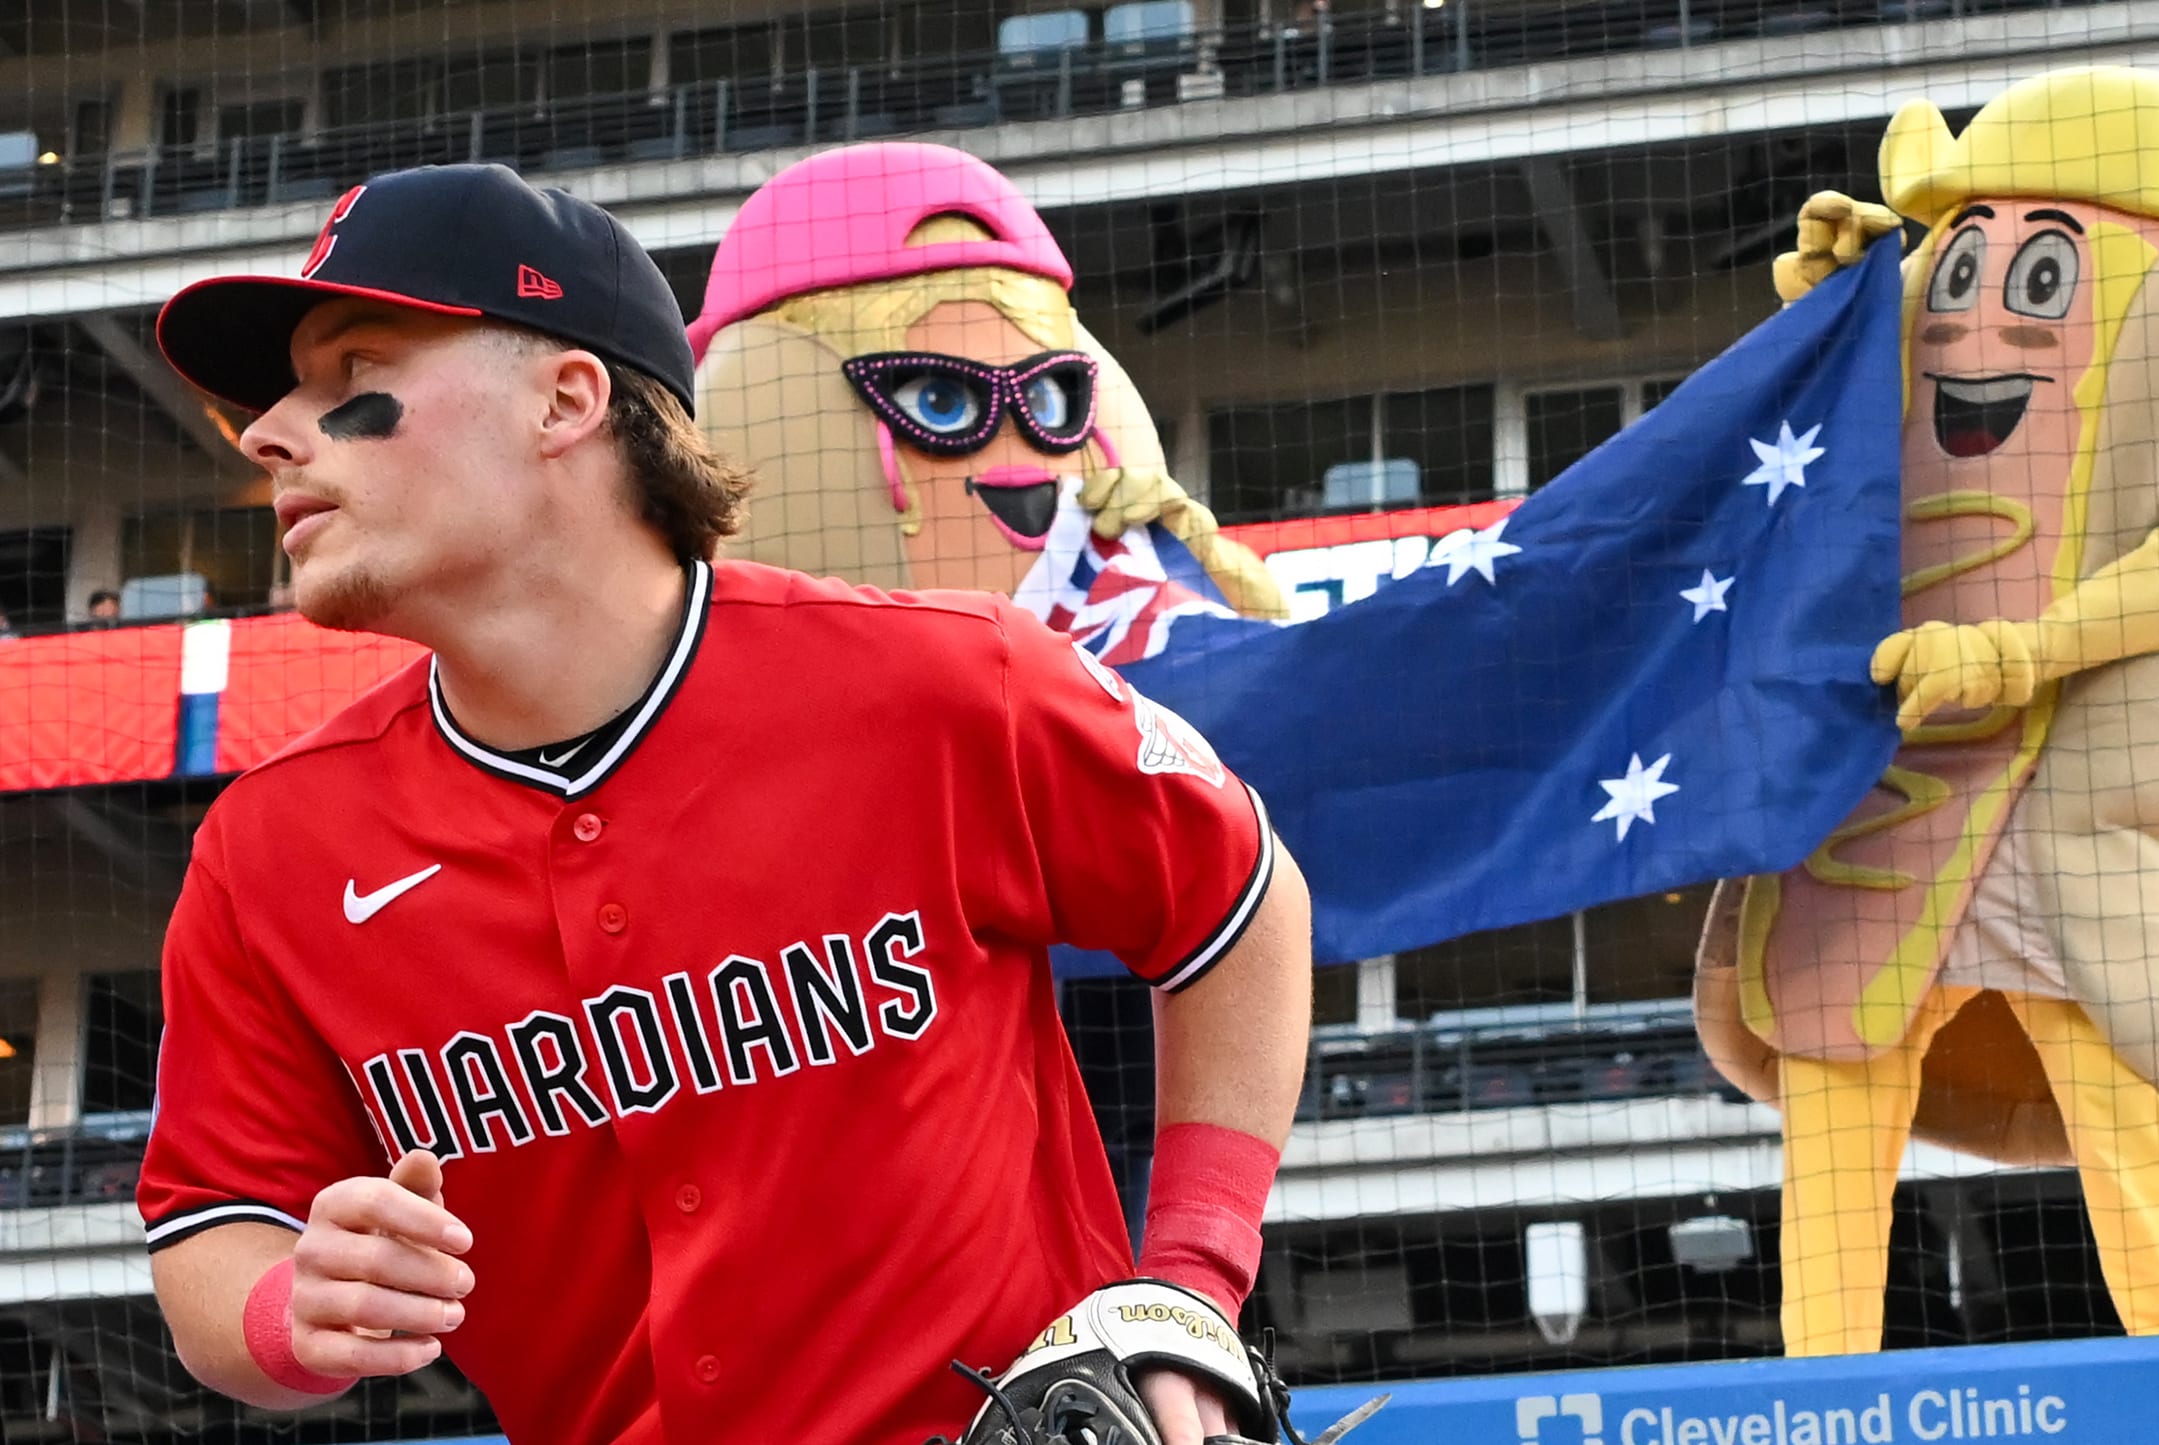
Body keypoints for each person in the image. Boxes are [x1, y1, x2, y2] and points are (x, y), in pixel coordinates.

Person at [139, 163, 1314, 1445]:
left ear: (566, 399)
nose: (266, 432)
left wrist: (1191, 1282)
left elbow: (1241, 902)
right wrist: (287, 1304)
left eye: (350, 370)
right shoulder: (270, 851)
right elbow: (214, 1235)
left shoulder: (943, 682)